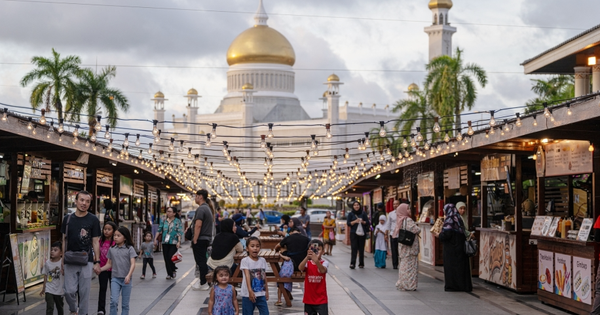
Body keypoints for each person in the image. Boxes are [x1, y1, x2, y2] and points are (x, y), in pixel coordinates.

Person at [62, 190, 101, 315]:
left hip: (86, 259)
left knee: (84, 292)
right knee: (68, 291)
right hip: (70, 258)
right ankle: (73, 309)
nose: (84, 203)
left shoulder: (93, 220)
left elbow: (95, 242)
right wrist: (62, 259)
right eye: (82, 200)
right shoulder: (67, 219)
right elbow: (64, 240)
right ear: (76, 201)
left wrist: (97, 261)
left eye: (87, 201)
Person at [99, 226, 137, 315]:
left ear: (124, 237)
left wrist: (128, 275)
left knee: (125, 304)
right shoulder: (112, 249)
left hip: (126, 280)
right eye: (115, 235)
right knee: (113, 301)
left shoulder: (130, 249)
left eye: (118, 235)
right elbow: (109, 264)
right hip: (115, 279)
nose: (115, 237)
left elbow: (133, 264)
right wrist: (100, 269)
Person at [436, 203, 472, 292]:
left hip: (451, 249)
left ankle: (453, 286)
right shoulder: (458, 219)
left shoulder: (449, 220)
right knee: (461, 267)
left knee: (452, 267)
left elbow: (447, 235)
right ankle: (463, 286)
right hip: (461, 248)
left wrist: (439, 235)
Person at [393, 203, 420, 291]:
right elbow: (417, 230)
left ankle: (403, 283)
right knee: (411, 267)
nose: (409, 210)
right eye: (407, 209)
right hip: (410, 247)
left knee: (403, 265)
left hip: (403, 247)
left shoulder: (400, 220)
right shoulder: (408, 220)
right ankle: (410, 285)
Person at [192, 189, 214, 291]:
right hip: (206, 239)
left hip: (200, 239)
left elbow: (198, 225)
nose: (195, 198)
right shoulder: (208, 208)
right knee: (202, 261)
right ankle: (203, 282)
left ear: (200, 196)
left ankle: (203, 283)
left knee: (200, 262)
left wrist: (195, 239)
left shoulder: (201, 209)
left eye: (196, 196)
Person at [299, 239, 329, 315]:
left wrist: (316, 261)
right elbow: (300, 268)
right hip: (309, 299)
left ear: (323, 252)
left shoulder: (324, 262)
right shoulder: (307, 263)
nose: (316, 252)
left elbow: (322, 270)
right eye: (313, 249)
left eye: (318, 250)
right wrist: (307, 257)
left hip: (321, 299)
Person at [241, 237, 269, 315]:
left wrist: (267, 291)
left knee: (265, 313)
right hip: (248, 294)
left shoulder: (262, 260)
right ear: (247, 248)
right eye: (252, 246)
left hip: (261, 293)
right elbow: (247, 276)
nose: (255, 248)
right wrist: (250, 291)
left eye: (257, 246)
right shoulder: (245, 261)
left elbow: (264, 277)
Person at [155, 207, 182, 280]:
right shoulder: (164, 221)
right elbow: (159, 230)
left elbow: (179, 232)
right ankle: (169, 273)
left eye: (170, 211)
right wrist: (155, 239)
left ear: (174, 213)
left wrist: (179, 241)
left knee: (170, 256)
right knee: (166, 257)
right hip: (165, 241)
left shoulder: (177, 221)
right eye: (167, 211)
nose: (168, 213)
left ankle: (173, 269)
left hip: (174, 242)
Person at [98, 221, 117, 315]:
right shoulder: (100, 241)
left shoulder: (115, 242)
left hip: (114, 270)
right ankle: (101, 309)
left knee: (113, 290)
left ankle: (114, 308)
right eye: (105, 229)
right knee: (102, 288)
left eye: (109, 229)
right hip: (102, 269)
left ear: (113, 231)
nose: (106, 231)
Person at [40, 241, 64, 315]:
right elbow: (46, 275)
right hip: (49, 289)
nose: (52, 252)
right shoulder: (48, 263)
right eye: (51, 250)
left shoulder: (62, 263)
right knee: (50, 307)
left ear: (61, 253)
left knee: (60, 307)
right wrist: (44, 288)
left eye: (55, 250)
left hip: (59, 290)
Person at [347, 201, 370, 269]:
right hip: (353, 233)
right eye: (355, 205)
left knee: (361, 248)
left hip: (362, 233)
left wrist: (362, 222)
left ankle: (361, 263)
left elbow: (368, 222)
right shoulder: (351, 214)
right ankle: (352, 263)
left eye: (358, 205)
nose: (356, 206)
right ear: (353, 206)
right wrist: (355, 221)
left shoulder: (363, 213)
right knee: (354, 248)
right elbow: (348, 223)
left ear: (360, 206)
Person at [386, 199, 400, 269]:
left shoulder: (403, 213)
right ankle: (395, 264)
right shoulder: (391, 214)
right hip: (393, 234)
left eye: (397, 204)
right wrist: (386, 234)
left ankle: (402, 263)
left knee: (401, 250)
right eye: (394, 204)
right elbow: (388, 224)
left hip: (401, 234)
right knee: (394, 250)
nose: (395, 205)